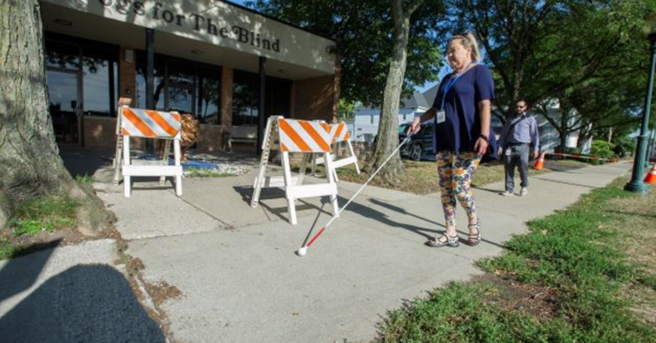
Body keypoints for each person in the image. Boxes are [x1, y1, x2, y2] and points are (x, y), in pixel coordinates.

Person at [408, 33, 497, 248]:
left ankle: (473, 223)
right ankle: (451, 232)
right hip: (445, 138)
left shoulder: (480, 72)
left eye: (453, 50)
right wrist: (420, 119)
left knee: (460, 185)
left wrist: (484, 135)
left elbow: (485, 104)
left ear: (467, 50)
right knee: (445, 187)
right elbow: (436, 108)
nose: (449, 56)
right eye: (447, 52)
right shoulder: (447, 79)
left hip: (468, 139)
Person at [497, 100, 539, 196]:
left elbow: (535, 135)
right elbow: (503, 134)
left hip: (523, 146)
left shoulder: (530, 119)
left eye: (521, 107)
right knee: (508, 168)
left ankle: (524, 186)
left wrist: (536, 149)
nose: (518, 109)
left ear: (525, 107)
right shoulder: (510, 119)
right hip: (510, 146)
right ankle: (509, 189)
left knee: (523, 167)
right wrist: (500, 146)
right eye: (517, 107)